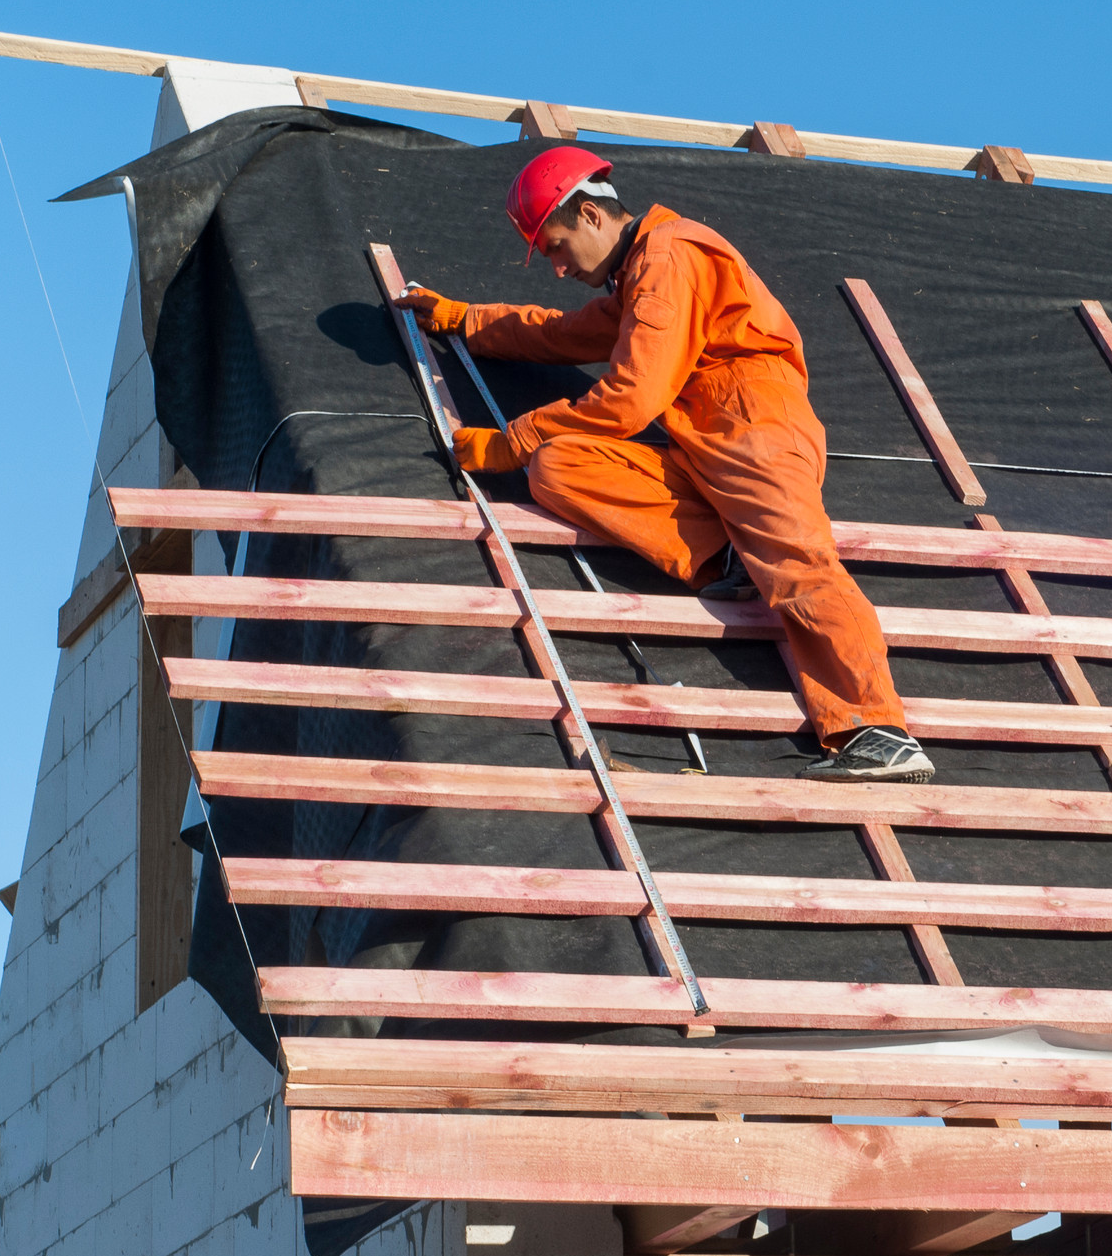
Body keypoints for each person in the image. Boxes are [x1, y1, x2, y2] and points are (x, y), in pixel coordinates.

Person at [393, 146, 934, 783]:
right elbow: (565, 334)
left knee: (798, 563)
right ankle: (726, 556)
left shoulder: (669, 256)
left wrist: (513, 439)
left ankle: (878, 730)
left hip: (754, 425)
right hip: (699, 440)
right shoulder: (640, 275)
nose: (559, 269)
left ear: (591, 215)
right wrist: (466, 319)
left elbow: (632, 396)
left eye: (557, 248)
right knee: (559, 464)